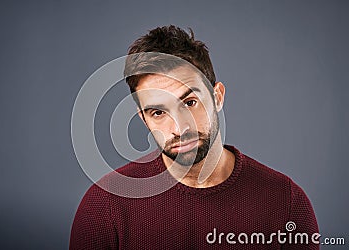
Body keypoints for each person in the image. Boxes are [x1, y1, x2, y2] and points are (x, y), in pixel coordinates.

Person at [70, 25, 319, 249]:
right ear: (143, 118)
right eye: (158, 112)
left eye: (190, 102)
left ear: (217, 96)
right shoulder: (103, 207)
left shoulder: (287, 203)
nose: (179, 128)